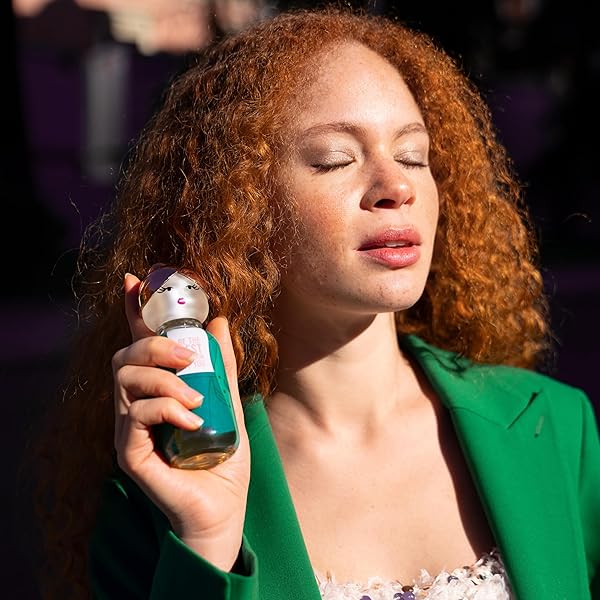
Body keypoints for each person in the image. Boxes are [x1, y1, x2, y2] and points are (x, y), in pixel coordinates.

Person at [35, 5, 600, 600]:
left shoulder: (558, 427)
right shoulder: (158, 489)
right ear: (239, 205)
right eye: (336, 159)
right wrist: (206, 539)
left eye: (413, 156)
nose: (397, 187)